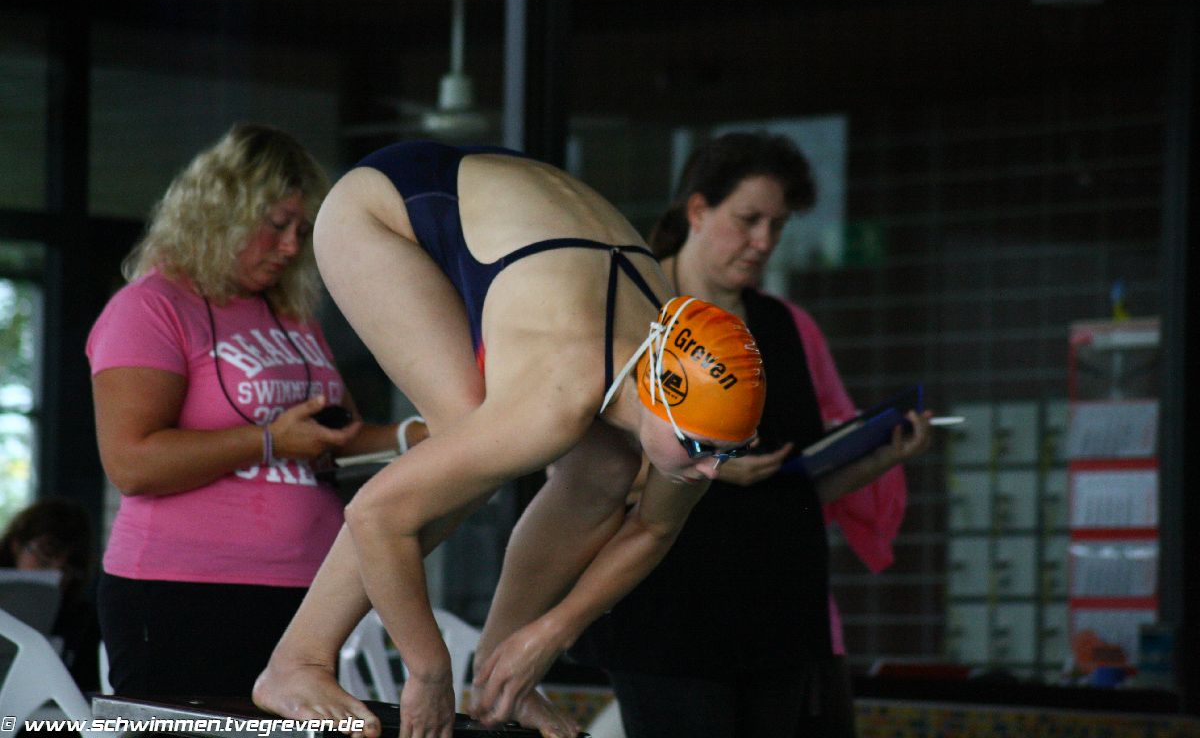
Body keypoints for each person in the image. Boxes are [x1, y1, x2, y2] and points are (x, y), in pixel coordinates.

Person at [251, 141, 767, 738]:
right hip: (390, 204)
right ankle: (297, 662)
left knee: (604, 470)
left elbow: (653, 528)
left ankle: (498, 682)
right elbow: (376, 513)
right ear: (656, 397)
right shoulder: (556, 397)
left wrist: (548, 634)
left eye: (729, 452)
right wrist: (429, 669)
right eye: (701, 449)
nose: (712, 471)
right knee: (463, 440)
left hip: (526, 215)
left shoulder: (691, 407)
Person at [571, 132, 932, 738]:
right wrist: (706, 465)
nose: (763, 241)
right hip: (668, 614)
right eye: (748, 220)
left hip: (778, 618)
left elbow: (794, 488)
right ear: (697, 210)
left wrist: (877, 458)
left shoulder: (783, 325)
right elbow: (578, 470)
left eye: (778, 226)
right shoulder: (636, 314)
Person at [86, 123, 413, 698]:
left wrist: (422, 436)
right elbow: (132, 464)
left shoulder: (290, 315)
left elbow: (333, 437)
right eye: (277, 225)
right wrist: (269, 441)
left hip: (308, 589)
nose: (291, 247)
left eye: (303, 231)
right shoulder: (151, 307)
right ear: (221, 215)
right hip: (184, 588)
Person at [0, 496, 102, 691]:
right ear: (17, 545)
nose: (56, 572)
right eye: (46, 555)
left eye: (69, 566)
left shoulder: (83, 622)